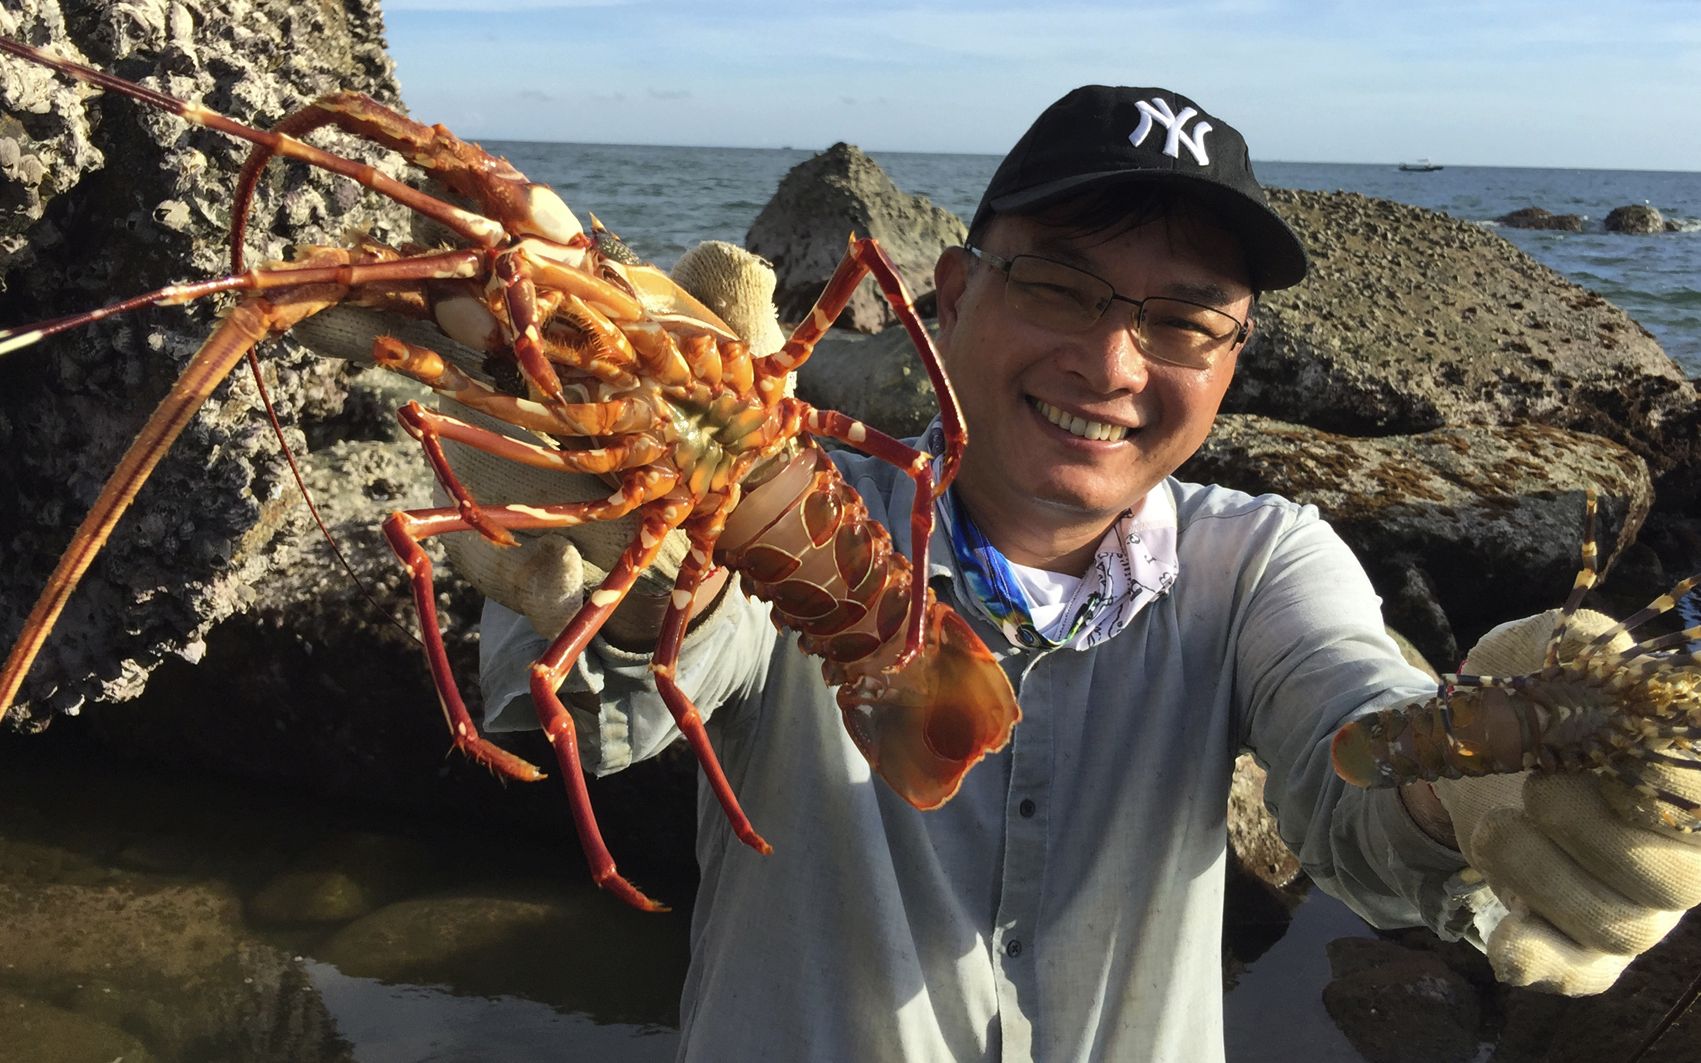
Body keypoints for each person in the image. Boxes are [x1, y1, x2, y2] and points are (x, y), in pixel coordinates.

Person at [475, 86, 1701, 1061]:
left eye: (1183, 319)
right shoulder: (806, 499)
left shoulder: (1261, 560)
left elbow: (1355, 759)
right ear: (949, 295)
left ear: (1233, 360)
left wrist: (1477, 796)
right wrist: (628, 592)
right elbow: (597, 700)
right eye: (1061, 284)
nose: (1112, 363)